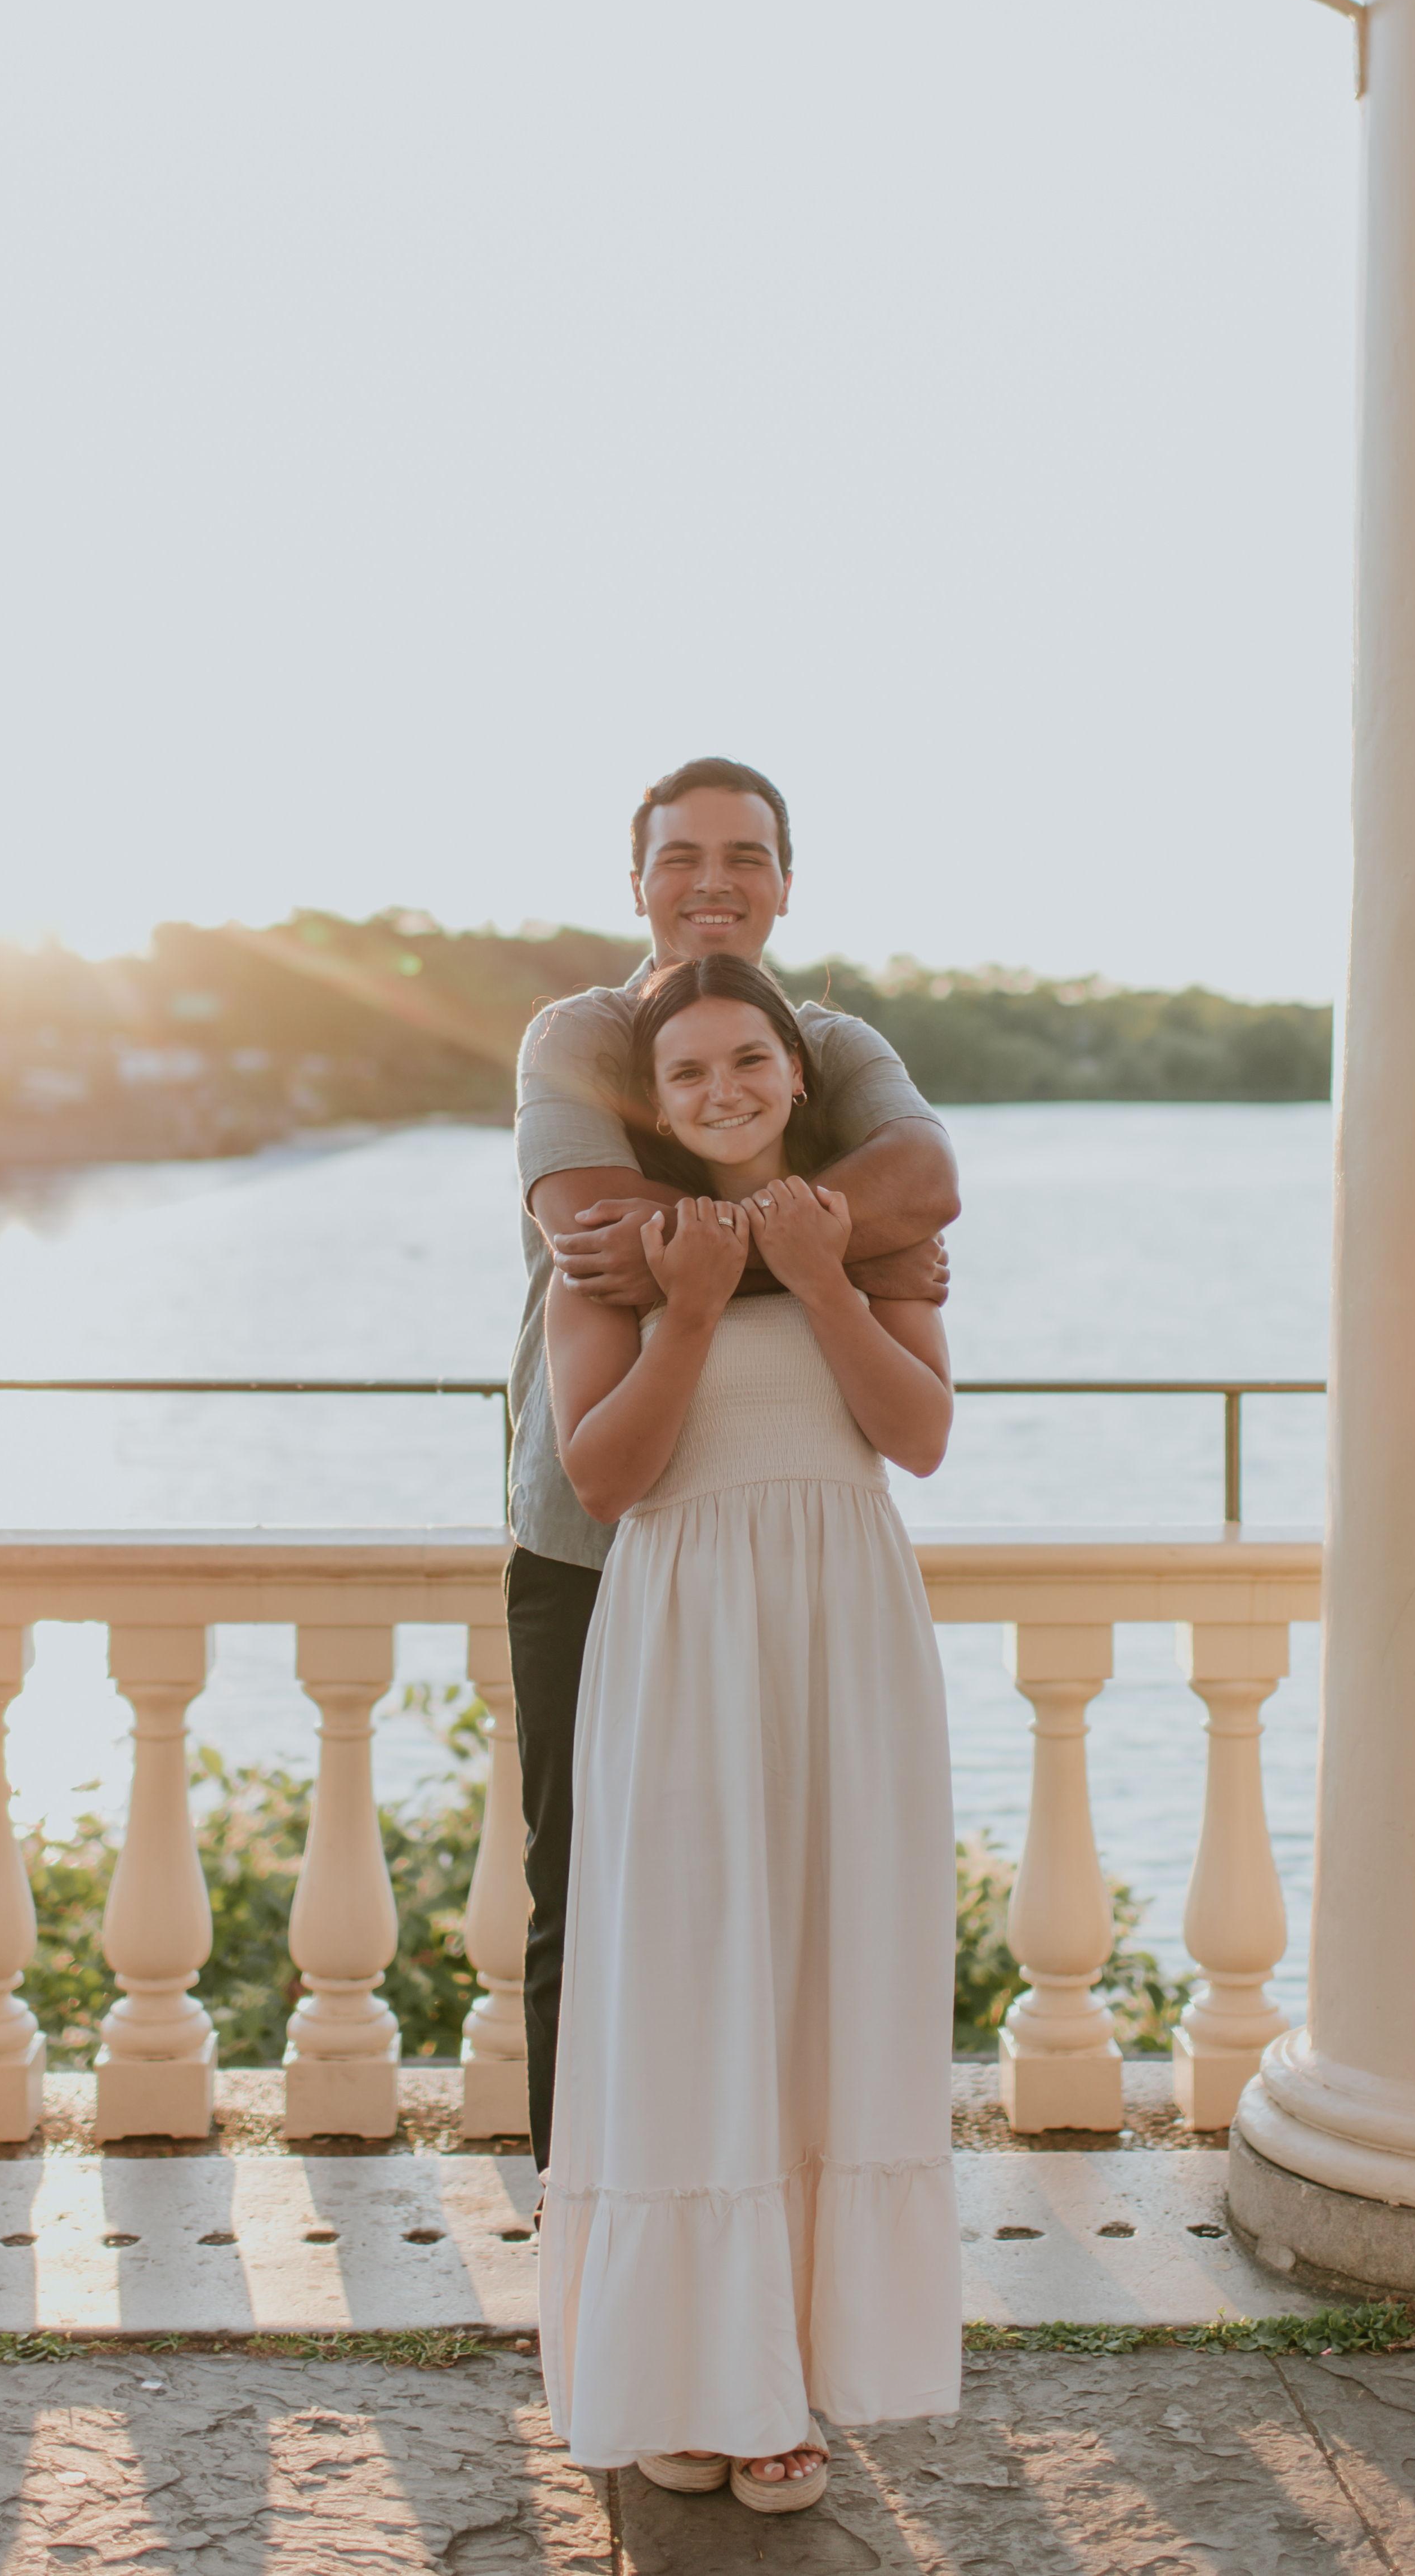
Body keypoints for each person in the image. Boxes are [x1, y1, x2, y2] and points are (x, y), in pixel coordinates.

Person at [534, 953, 961, 2502]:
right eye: (688, 1072)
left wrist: (823, 1277)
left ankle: (789, 2380)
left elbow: (917, 1435)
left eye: (749, 1060)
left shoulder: (878, 1241)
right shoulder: (613, 1264)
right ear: (655, 1105)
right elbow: (603, 1479)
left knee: (825, 1982)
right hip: (684, 1638)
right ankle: (682, 2372)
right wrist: (693, 1311)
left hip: (844, 1632)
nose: (723, 1090)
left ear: (795, 1072)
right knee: (688, 1986)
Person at [502, 757, 958, 2182]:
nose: (714, 882)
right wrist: (836, 1246)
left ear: (786, 882)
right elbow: (593, 1224)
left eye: (746, 856)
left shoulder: (831, 1040)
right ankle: (591, 2236)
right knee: (595, 1893)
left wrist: (712, 1256)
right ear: (637, 882)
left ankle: (780, 2228)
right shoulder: (580, 1035)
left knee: (799, 1900)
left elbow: (929, 1183)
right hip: (595, 1537)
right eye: (682, 857)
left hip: (794, 1560)